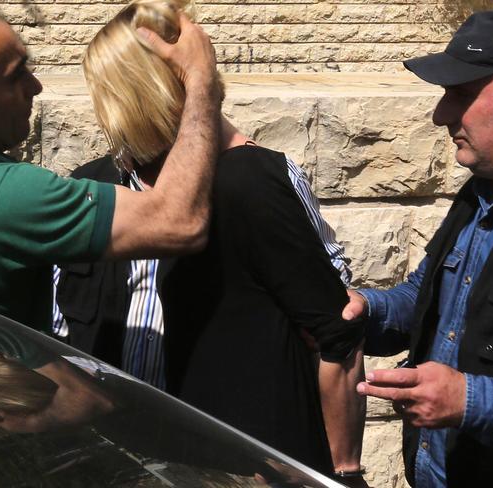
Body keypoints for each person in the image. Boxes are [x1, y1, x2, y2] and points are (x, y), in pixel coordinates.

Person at [79, 0, 366, 482]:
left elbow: (335, 335)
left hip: (238, 468)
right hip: (121, 463)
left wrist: (340, 472)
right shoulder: (97, 186)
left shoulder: (251, 181)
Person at [0, 0, 220, 332]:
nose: (36, 86)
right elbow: (178, 222)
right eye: (16, 77)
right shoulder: (9, 196)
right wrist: (199, 80)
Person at [342, 9, 493, 488]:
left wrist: (469, 400)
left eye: (460, 95)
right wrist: (363, 309)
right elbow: (426, 297)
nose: (440, 115)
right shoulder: (478, 196)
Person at [54, 153, 352, 392]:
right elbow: (54, 328)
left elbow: (331, 301)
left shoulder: (254, 180)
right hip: (107, 438)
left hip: (222, 439)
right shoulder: (85, 188)